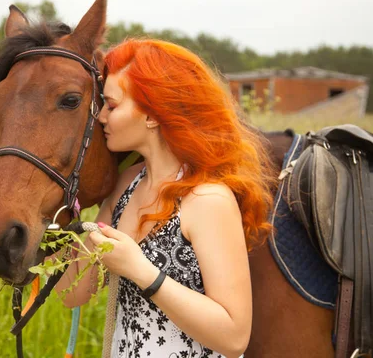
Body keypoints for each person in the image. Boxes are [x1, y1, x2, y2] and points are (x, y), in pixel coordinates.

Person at [54, 38, 273, 358]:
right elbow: (72, 292)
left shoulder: (208, 200)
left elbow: (234, 336)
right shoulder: (125, 187)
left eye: (112, 106)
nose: (101, 117)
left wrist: (140, 271)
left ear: (153, 114)